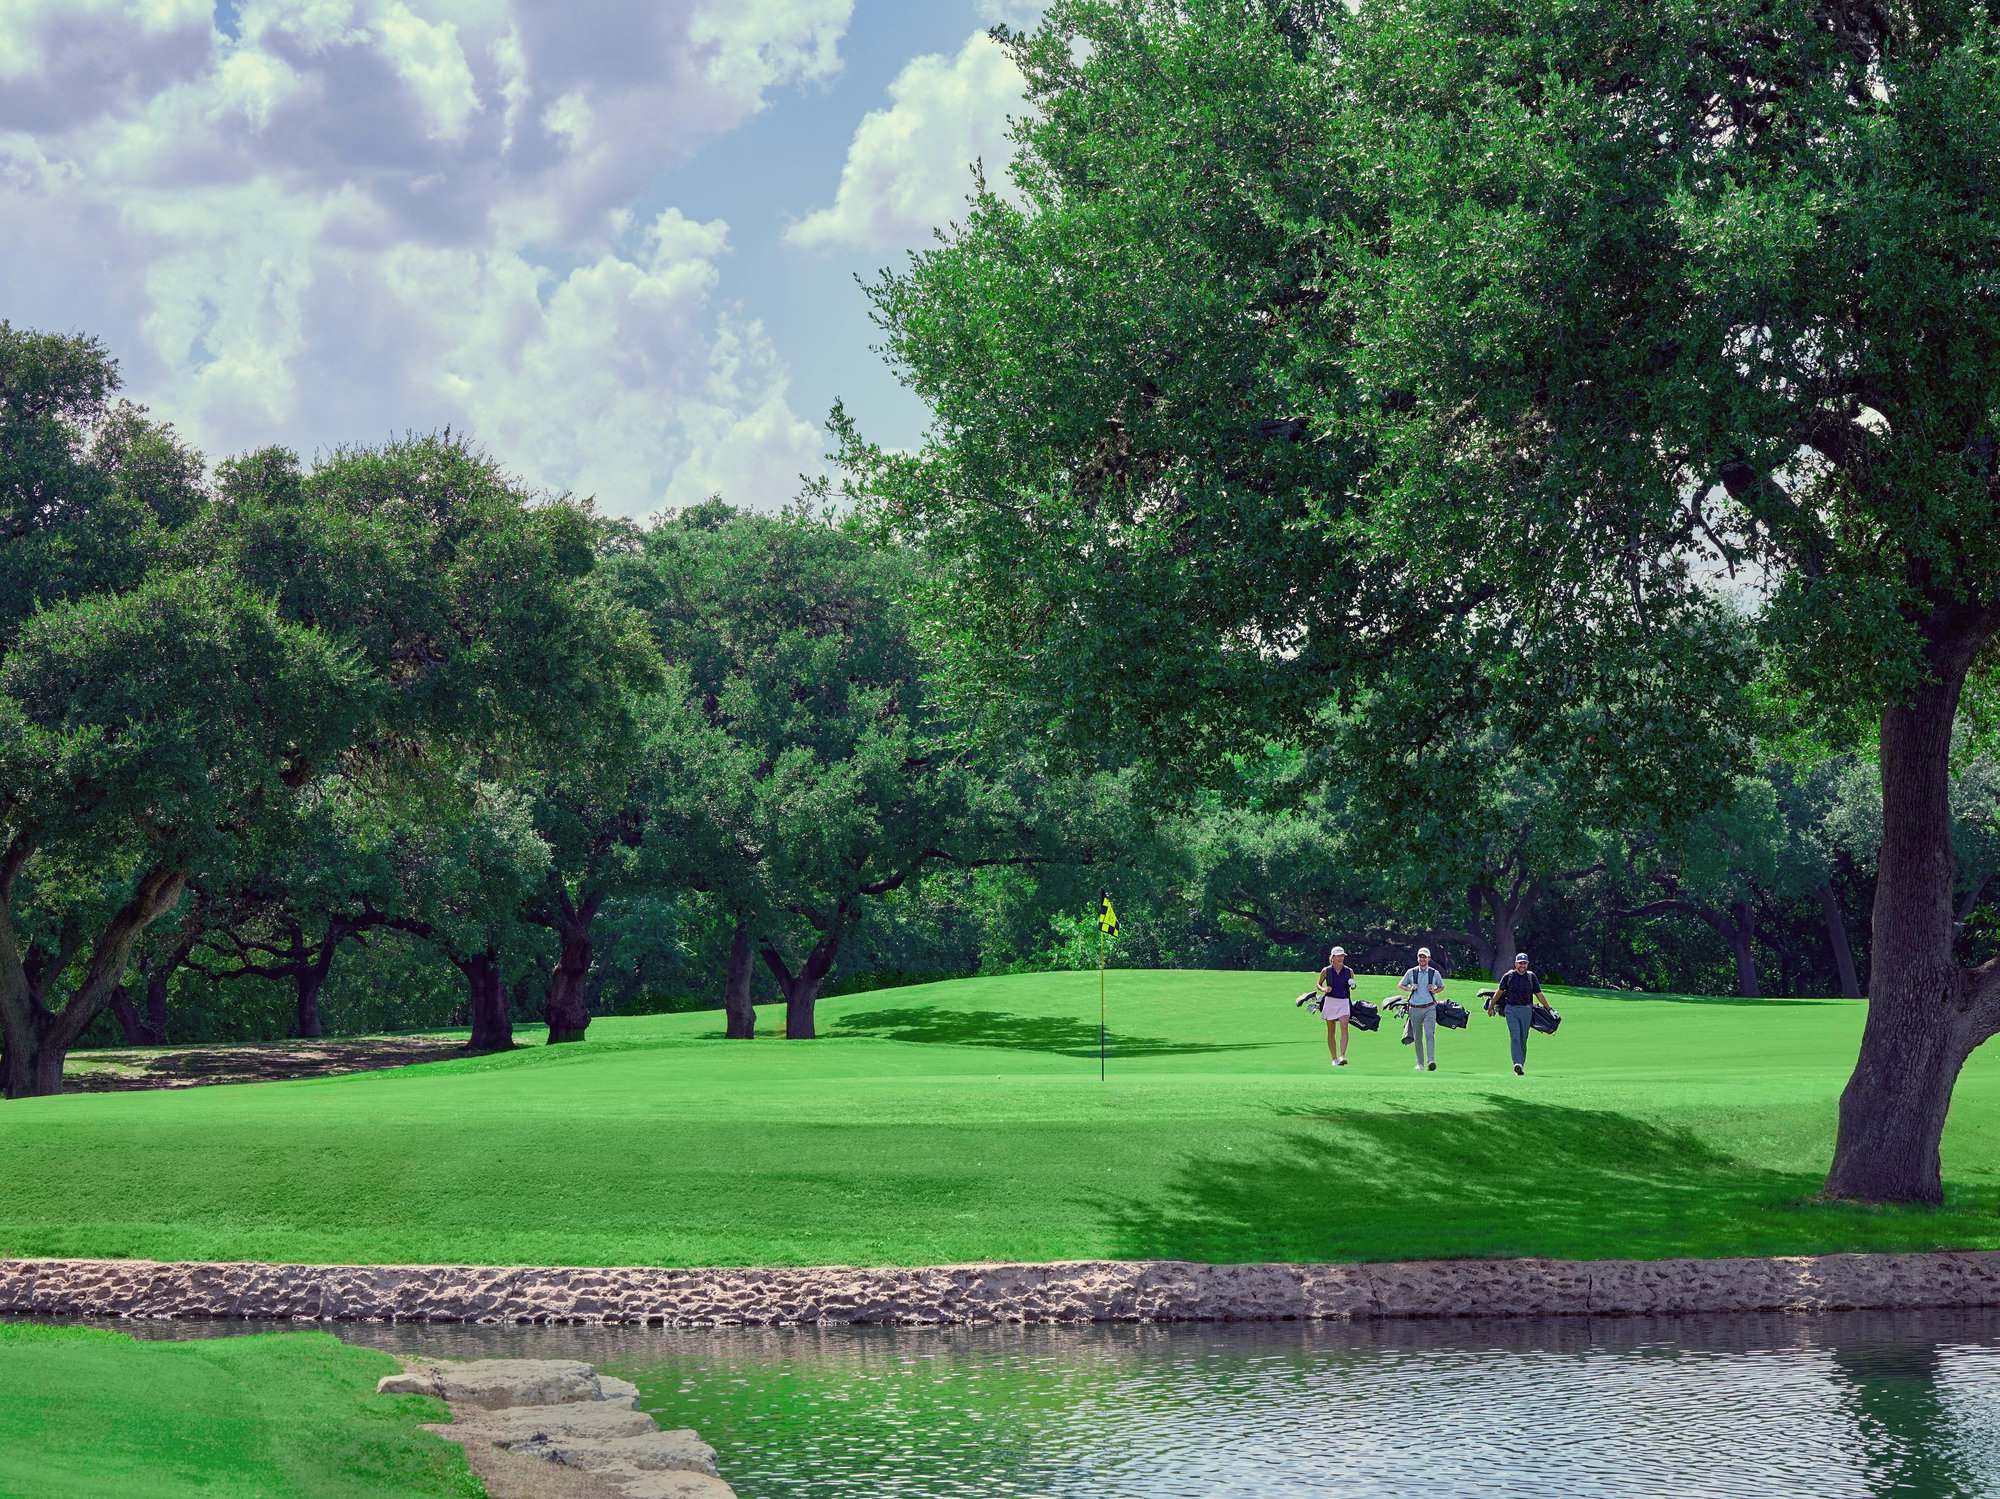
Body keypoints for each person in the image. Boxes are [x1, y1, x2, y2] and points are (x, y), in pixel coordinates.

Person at [1493, 952, 1553, 1075]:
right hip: (1511, 1009)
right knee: (1515, 1035)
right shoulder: (1508, 976)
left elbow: (1539, 994)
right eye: (1520, 963)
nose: (1522, 965)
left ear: (1527, 964)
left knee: (1523, 1038)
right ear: (1516, 964)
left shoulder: (1531, 977)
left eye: (1524, 963)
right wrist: (1491, 1006)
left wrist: (1550, 1009)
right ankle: (1517, 1063)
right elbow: (1499, 992)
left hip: (1526, 1010)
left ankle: (1521, 1065)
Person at [1398, 947, 1446, 1071]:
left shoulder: (1434, 973)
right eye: (1420, 956)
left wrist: (1434, 990)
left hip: (1429, 1007)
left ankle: (1431, 1061)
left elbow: (1441, 987)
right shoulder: (1411, 972)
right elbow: (1401, 985)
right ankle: (1420, 1064)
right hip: (1414, 1007)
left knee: (1430, 1034)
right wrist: (1410, 988)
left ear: (1429, 958)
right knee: (1417, 1036)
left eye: (1424, 957)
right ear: (1418, 958)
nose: (1422, 959)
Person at [1316, 946, 1355, 1068]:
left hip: (1343, 1001)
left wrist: (1353, 985)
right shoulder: (1326, 970)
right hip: (1330, 1001)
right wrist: (1324, 989)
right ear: (1332, 958)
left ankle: (1342, 1055)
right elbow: (1318, 984)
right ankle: (1334, 1058)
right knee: (1331, 1030)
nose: (1341, 958)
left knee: (1344, 1026)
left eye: (1342, 956)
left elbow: (1353, 986)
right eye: (1338, 956)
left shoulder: (1349, 971)